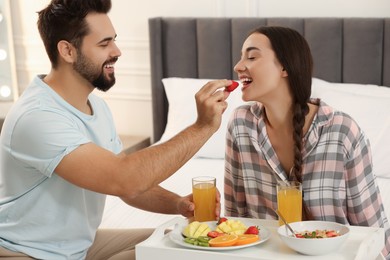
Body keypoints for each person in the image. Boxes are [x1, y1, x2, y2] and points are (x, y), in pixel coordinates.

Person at [0, 0, 233, 259]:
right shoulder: (37, 116)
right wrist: (203, 127)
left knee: (181, 244)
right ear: (67, 51)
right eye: (104, 43)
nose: (117, 51)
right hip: (25, 252)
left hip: (78, 247)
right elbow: (125, 178)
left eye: (114, 40)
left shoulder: (96, 108)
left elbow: (128, 187)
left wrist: (178, 204)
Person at [224, 25, 390, 258]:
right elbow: (233, 219)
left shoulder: (342, 132)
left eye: (251, 56)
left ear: (284, 66)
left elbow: (373, 231)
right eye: (241, 57)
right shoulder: (240, 125)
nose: (238, 66)